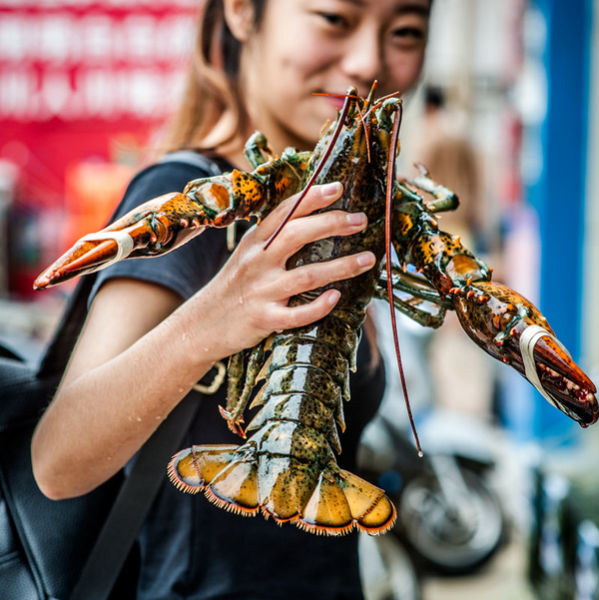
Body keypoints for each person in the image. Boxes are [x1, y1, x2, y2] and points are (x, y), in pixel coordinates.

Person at [31, 1, 432, 598]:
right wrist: (213, 319)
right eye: (333, 18)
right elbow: (57, 463)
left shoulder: (346, 207)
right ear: (244, 13)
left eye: (404, 31)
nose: (368, 61)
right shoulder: (185, 196)